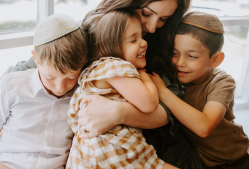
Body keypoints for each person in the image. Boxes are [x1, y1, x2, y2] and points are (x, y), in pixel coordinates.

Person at [0, 0, 196, 168]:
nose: (152, 27)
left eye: (164, 19)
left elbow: (170, 110)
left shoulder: (157, 46)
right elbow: (21, 74)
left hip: (144, 147)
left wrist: (118, 113)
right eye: (147, 13)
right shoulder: (94, 33)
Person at [0, 13, 89, 169]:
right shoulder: (12, 86)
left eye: (71, 77)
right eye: (50, 77)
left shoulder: (83, 92)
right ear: (35, 58)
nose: (61, 87)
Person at [67, 10, 178, 169]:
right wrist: (144, 75)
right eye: (133, 40)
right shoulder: (115, 67)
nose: (143, 43)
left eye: (141, 36)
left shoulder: (93, 72)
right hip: (113, 151)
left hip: (89, 154)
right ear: (111, 46)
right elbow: (149, 103)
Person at [150, 11, 249, 169]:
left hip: (230, 159)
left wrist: (163, 91)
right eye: (174, 53)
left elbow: (204, 127)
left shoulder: (222, 83)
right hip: (199, 157)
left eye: (192, 56)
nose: (180, 62)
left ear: (215, 59)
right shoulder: (172, 75)